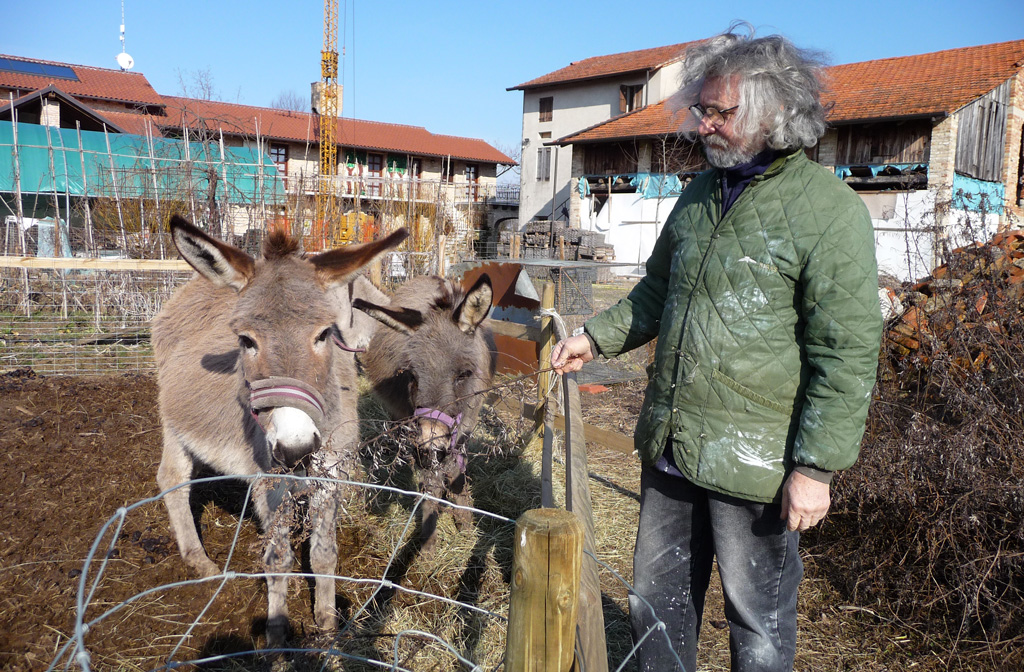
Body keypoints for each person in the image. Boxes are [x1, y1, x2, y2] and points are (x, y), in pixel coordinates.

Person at [551, 24, 882, 672]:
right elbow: (656, 293)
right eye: (698, 110)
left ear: (776, 110)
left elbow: (847, 352)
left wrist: (816, 468)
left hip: (756, 466)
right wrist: (593, 337)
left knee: (756, 627)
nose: (701, 125)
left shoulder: (828, 211)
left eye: (718, 112)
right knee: (654, 605)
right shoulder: (700, 195)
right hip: (672, 450)